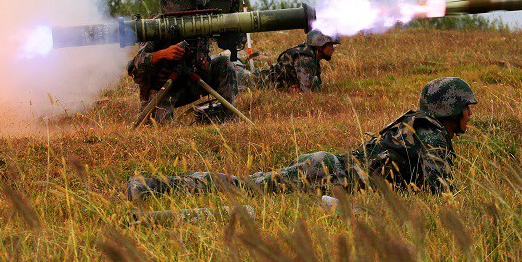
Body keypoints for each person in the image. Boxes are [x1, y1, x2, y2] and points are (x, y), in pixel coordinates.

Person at [127, 77, 477, 199]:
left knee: (250, 184)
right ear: (452, 109)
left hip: (328, 167)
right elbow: (440, 194)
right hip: (329, 175)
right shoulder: (431, 135)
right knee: (245, 187)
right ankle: (153, 187)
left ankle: (154, 186)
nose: (470, 115)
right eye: (467, 108)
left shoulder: (417, 124)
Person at [127, 0, 238, 124]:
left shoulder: (199, 24)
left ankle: (227, 118)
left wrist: (203, 63)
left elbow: (203, 59)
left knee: (223, 64)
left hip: (191, 83)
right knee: (159, 131)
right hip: (162, 91)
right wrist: (164, 54)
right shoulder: (157, 27)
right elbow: (135, 66)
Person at [256, 30, 339, 92]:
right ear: (320, 47)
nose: (333, 49)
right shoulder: (305, 58)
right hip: (255, 83)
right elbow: (308, 91)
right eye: (330, 45)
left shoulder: (311, 56)